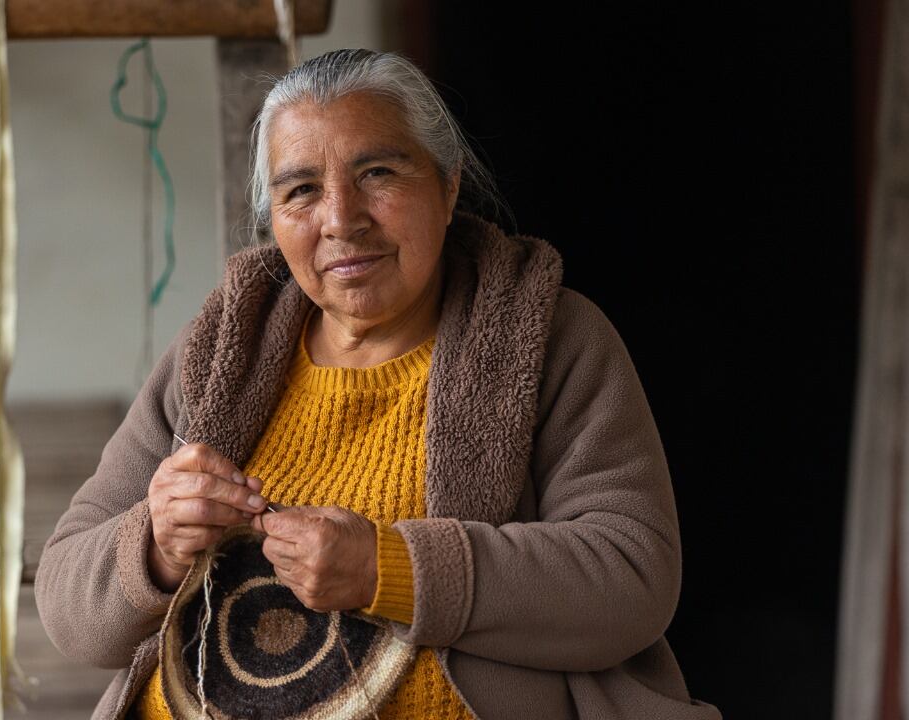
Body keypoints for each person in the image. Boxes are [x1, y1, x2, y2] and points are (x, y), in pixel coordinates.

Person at [35, 48, 721, 720]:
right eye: (301, 190)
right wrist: (154, 542)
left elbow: (631, 577)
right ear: (272, 219)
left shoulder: (547, 336)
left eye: (378, 174)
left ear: (448, 185)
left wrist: (386, 570)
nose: (341, 218)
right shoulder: (222, 350)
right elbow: (70, 608)